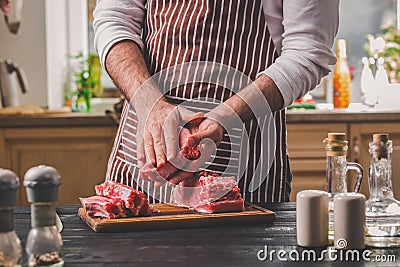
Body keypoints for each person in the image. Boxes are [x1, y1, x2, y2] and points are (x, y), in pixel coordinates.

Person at [93, 0, 339, 203]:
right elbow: (114, 19)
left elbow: (308, 52)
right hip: (147, 147)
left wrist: (224, 117)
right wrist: (151, 105)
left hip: (246, 157)